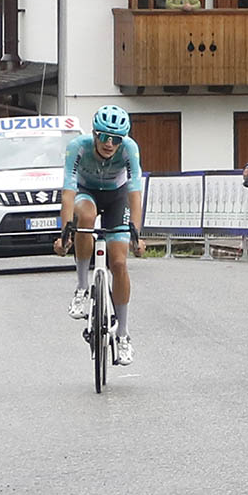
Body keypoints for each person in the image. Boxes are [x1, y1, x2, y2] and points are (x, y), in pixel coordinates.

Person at [54, 105, 146, 366]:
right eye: (104, 136)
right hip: (87, 193)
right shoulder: (77, 147)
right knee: (84, 217)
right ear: (94, 134)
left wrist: (136, 233)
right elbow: (68, 191)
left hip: (117, 198)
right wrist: (65, 234)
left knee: (119, 263)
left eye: (116, 139)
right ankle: (82, 288)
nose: (109, 143)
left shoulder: (129, 148)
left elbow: (135, 189)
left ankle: (124, 336)